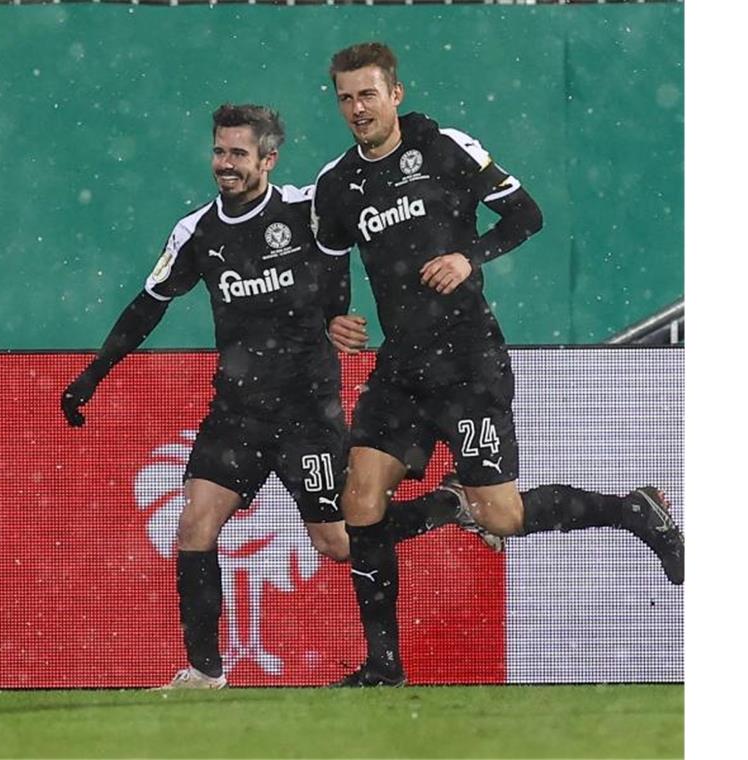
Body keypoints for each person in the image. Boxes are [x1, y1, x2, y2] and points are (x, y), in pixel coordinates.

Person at [62, 104, 499, 690]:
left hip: (306, 416)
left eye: (238, 154)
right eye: (220, 151)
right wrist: (94, 374)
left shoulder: (304, 211)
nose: (225, 164)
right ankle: (203, 671)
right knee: (195, 525)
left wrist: (340, 316)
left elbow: (350, 254)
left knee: (339, 543)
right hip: (236, 413)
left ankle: (450, 506)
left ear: (268, 159)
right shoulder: (197, 232)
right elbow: (150, 304)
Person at [312, 41, 685, 687]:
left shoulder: (445, 147)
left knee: (502, 517)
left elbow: (527, 214)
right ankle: (384, 666)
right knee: (360, 502)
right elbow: (327, 264)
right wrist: (331, 316)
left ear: (395, 94)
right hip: (401, 365)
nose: (357, 108)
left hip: (466, 359)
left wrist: (470, 257)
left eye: (368, 94)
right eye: (345, 97)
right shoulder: (338, 183)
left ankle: (632, 509)